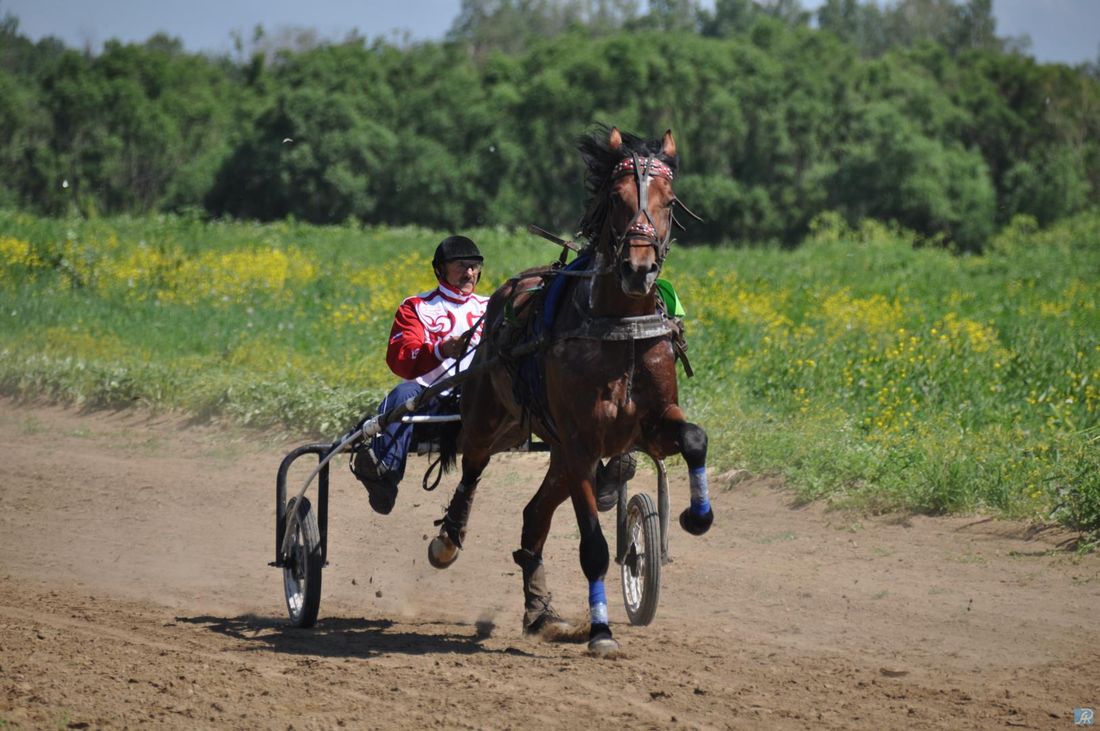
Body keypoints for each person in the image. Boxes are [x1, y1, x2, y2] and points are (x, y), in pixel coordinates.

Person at [351, 235, 488, 514]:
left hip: (480, 401)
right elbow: (400, 358)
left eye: (474, 266)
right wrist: (442, 349)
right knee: (403, 393)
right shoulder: (417, 307)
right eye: (461, 265)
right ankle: (383, 475)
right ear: (440, 269)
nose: (470, 272)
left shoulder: (492, 307)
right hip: (428, 402)